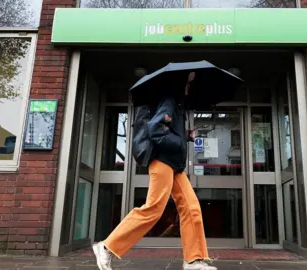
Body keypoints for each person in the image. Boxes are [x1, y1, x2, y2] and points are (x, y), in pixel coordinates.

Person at [92, 72, 217, 270]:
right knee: (153, 209)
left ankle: (193, 260)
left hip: (174, 165)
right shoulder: (168, 101)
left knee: (191, 208)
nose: (189, 87)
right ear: (178, 83)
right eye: (187, 82)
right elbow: (155, 128)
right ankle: (106, 247)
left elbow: (168, 131)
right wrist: (178, 142)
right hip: (163, 162)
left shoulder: (176, 105)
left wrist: (185, 137)